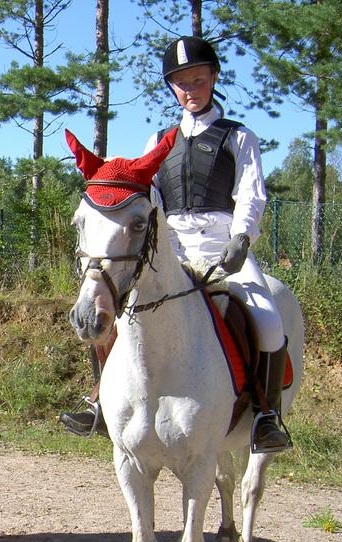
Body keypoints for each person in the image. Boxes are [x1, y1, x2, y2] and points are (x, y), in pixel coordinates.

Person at [60, 35, 291, 454]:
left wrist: (242, 237)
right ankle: (98, 399)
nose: (190, 90)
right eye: (182, 84)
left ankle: (264, 414)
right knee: (111, 310)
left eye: (198, 80)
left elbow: (252, 193)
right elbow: (150, 203)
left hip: (224, 248)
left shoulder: (238, 137)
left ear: (213, 78)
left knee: (271, 321)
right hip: (172, 250)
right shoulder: (158, 142)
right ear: (173, 87)